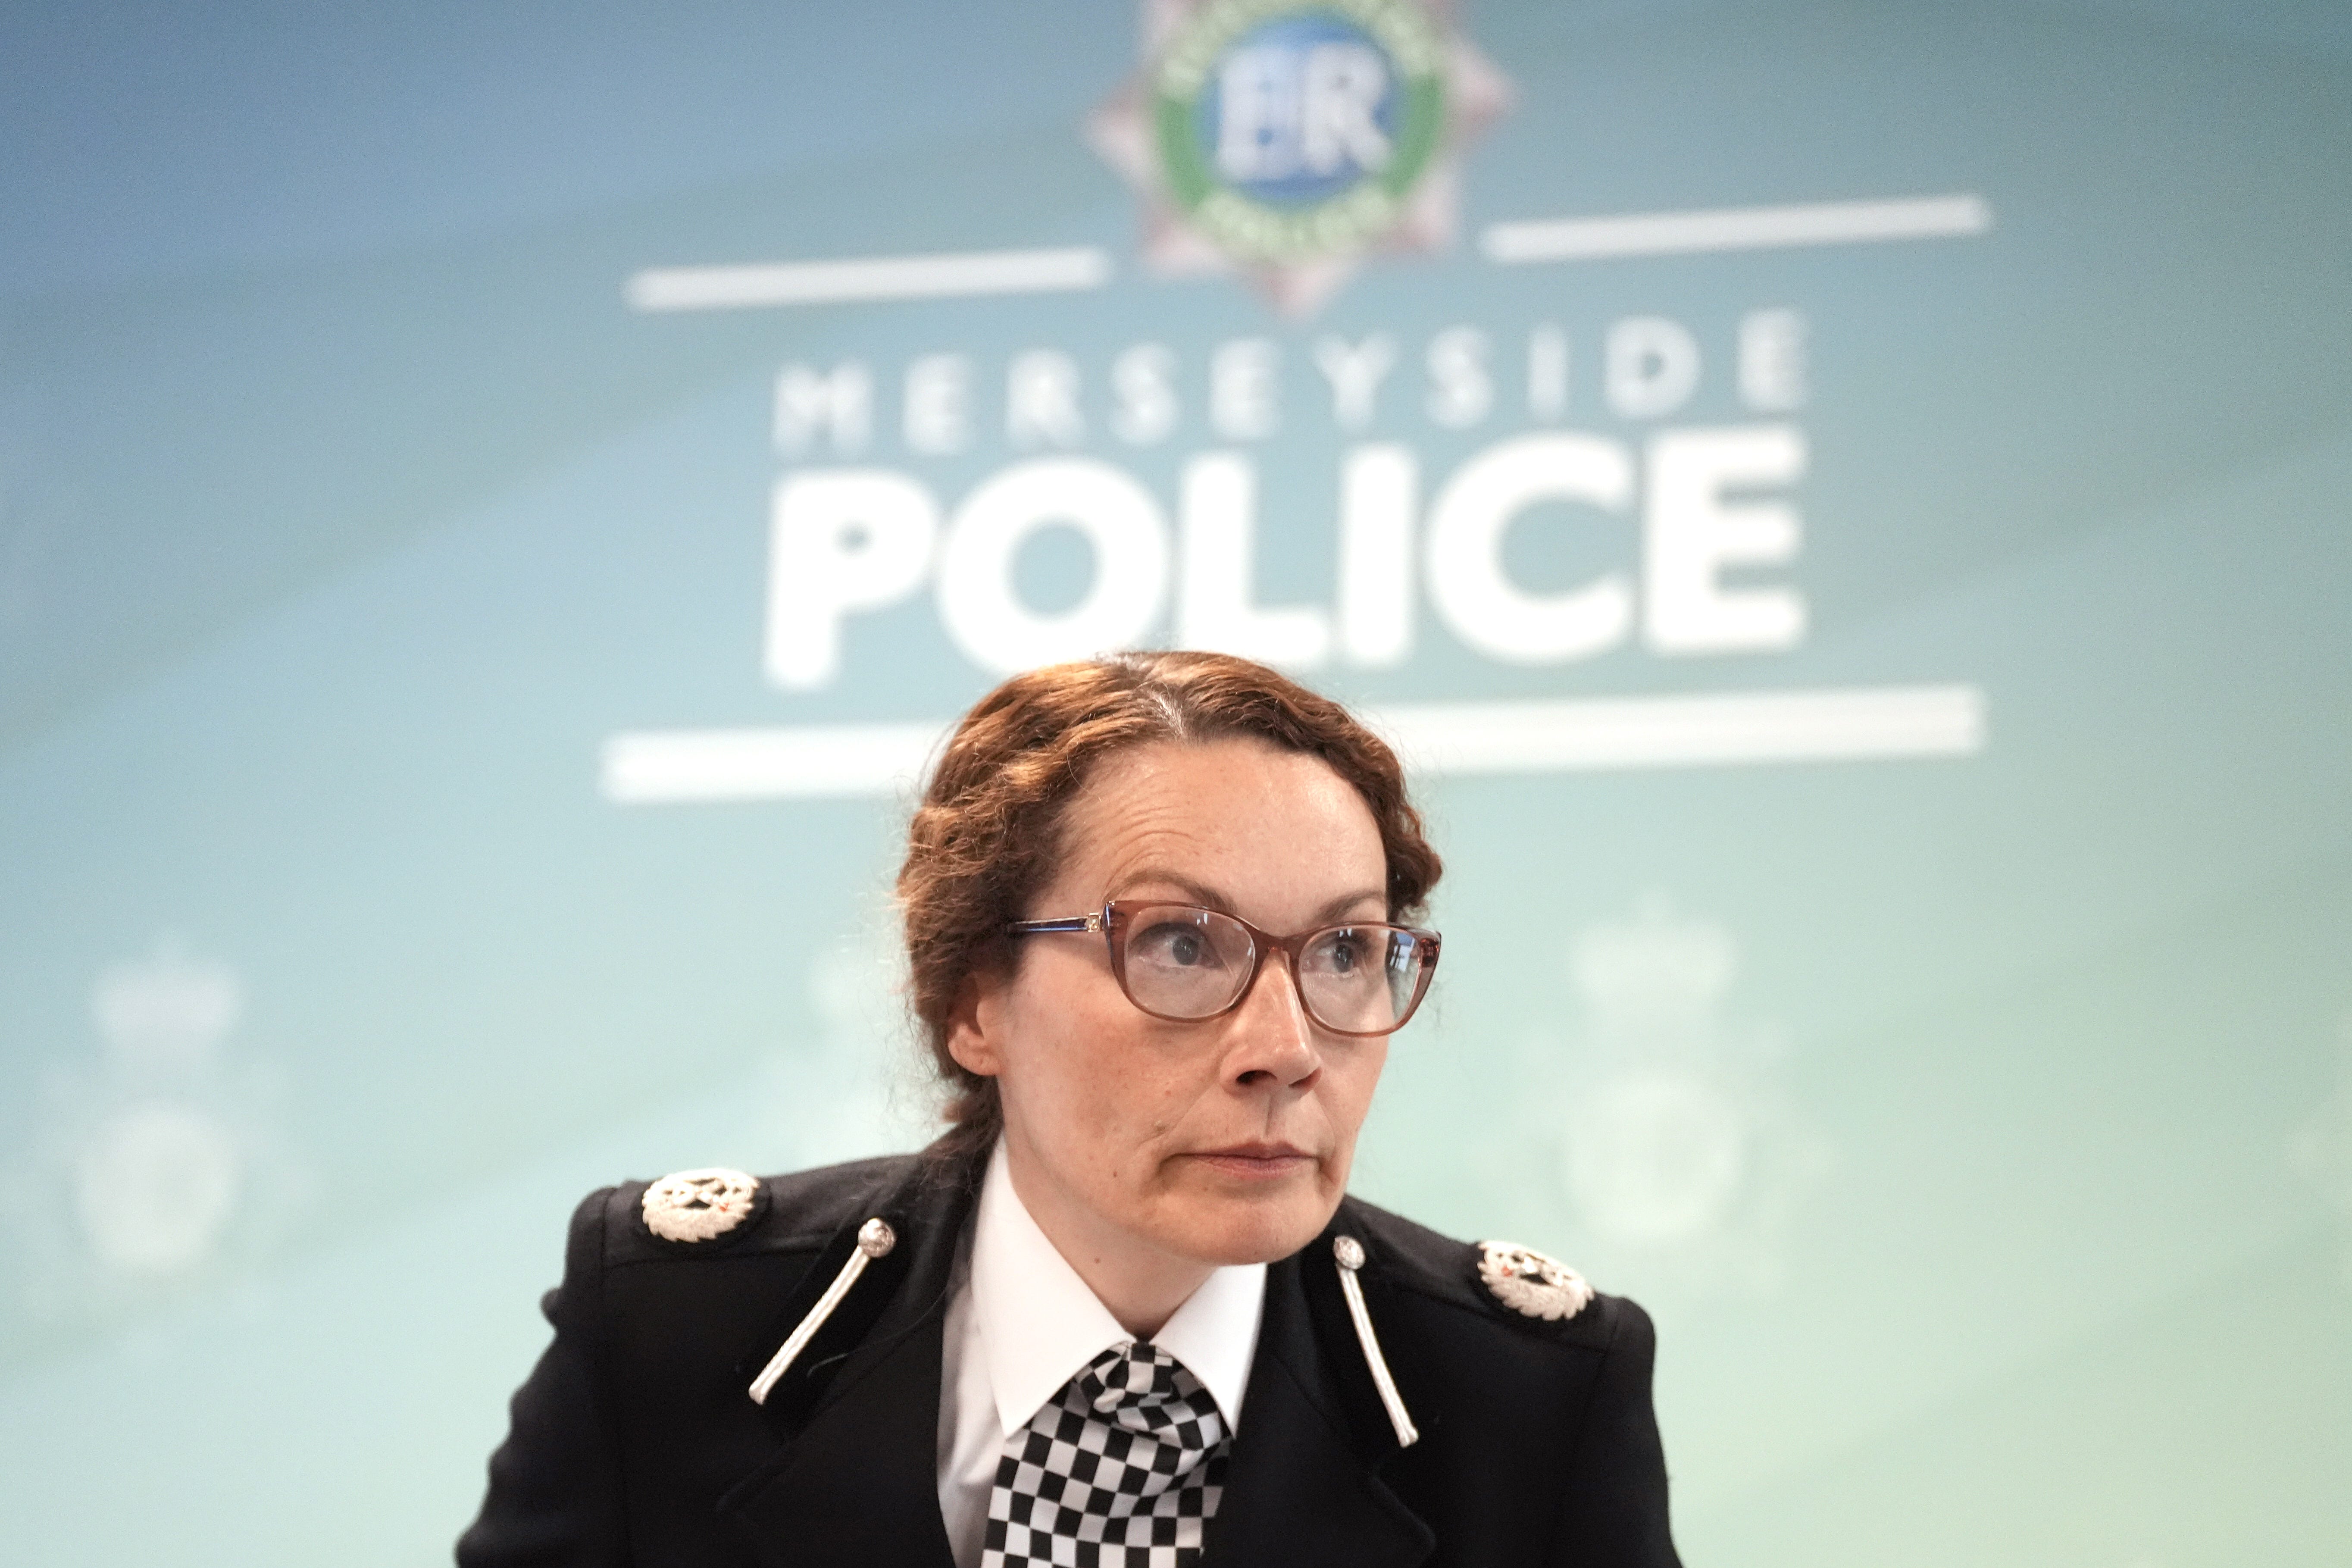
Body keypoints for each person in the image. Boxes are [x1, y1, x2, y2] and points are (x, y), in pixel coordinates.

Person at [458, 650, 1681, 1568]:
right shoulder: (676, 1322)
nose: (1287, 1049)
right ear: (974, 999)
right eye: (1180, 945)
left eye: (1348, 951)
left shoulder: (1531, 1396)